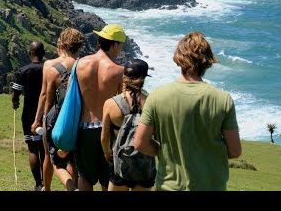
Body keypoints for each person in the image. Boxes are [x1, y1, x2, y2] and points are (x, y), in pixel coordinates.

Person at [134, 31, 242, 191]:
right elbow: (234, 151)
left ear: (179, 58)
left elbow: (140, 143)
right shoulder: (222, 99)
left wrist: (164, 153)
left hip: (169, 186)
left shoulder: (157, 96)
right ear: (208, 61)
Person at [75, 23, 126, 191]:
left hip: (83, 127)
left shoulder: (80, 64)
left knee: (85, 177)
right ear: (115, 44)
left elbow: (71, 96)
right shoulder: (119, 71)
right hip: (107, 129)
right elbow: (122, 105)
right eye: (121, 45)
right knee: (107, 179)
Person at [101, 58, 156, 191]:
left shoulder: (110, 104)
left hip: (120, 163)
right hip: (145, 165)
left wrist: (107, 153)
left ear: (124, 77)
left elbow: (104, 137)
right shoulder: (152, 102)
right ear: (144, 78)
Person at [44, 27, 84, 191]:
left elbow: (48, 100)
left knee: (57, 162)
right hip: (80, 120)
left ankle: (71, 187)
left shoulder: (54, 71)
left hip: (58, 121)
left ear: (63, 44)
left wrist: (44, 119)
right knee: (73, 161)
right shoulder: (85, 67)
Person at [30, 37, 64, 191]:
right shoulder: (79, 64)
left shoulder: (49, 66)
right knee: (70, 158)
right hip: (67, 114)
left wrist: (39, 119)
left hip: (44, 114)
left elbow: (45, 95)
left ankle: (42, 186)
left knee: (40, 152)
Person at [11, 41, 46, 191]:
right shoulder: (49, 69)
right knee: (44, 149)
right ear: (43, 53)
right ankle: (47, 183)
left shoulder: (23, 71)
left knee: (33, 149)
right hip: (47, 113)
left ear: (30, 53)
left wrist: (15, 103)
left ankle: (38, 185)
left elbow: (15, 94)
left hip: (29, 114)